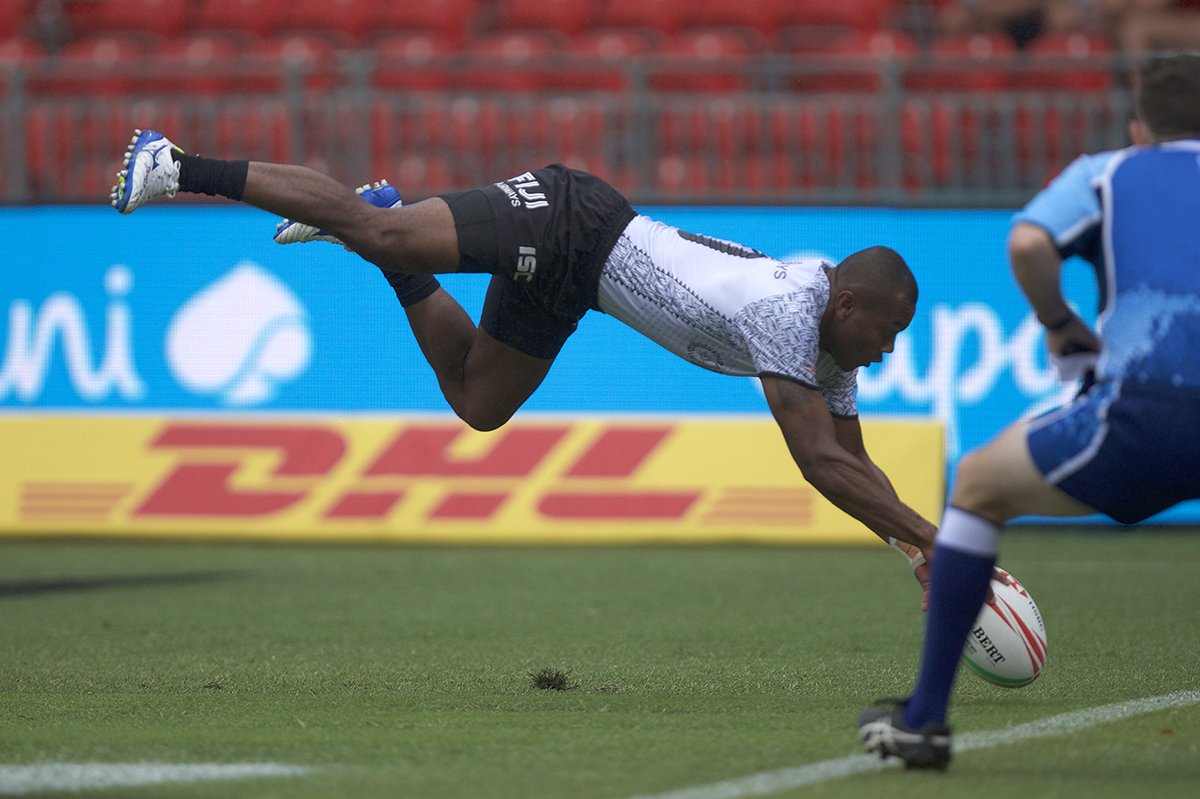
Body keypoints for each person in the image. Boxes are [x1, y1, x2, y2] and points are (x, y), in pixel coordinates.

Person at [109, 130, 936, 592]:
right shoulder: (793, 311)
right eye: (888, 334)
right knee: (383, 231)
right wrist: (940, 541)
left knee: (479, 399)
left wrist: (916, 551)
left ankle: (383, 236)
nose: (888, 353)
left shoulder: (832, 346)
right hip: (575, 222)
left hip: (582, 279)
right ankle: (177, 164)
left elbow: (854, 463)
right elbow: (819, 460)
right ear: (848, 305)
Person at [858, 51, 1200, 770]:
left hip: (1149, 407)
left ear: (1140, 126)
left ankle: (923, 722)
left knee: (978, 485)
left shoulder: (1107, 172)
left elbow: (1027, 240)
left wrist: (1056, 320)